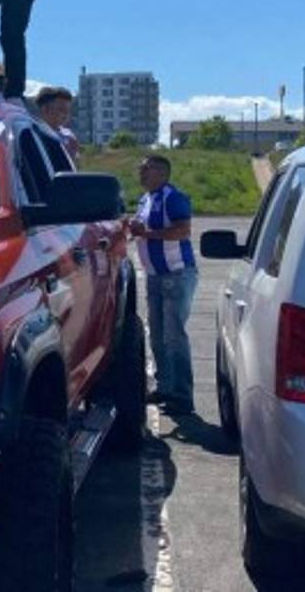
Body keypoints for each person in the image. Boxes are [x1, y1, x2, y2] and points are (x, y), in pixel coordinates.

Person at [129, 155, 198, 416]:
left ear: (162, 173)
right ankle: (164, 387)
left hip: (176, 275)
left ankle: (182, 395)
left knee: (174, 336)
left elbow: (183, 230)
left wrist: (146, 234)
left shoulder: (173, 197)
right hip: (155, 276)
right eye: (141, 168)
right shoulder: (145, 200)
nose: (141, 172)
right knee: (157, 335)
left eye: (146, 168)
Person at [35, 86, 80, 162]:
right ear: (45, 109)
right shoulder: (35, 134)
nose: (66, 114)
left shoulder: (69, 136)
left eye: (68, 110)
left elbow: (74, 165)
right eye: (61, 109)